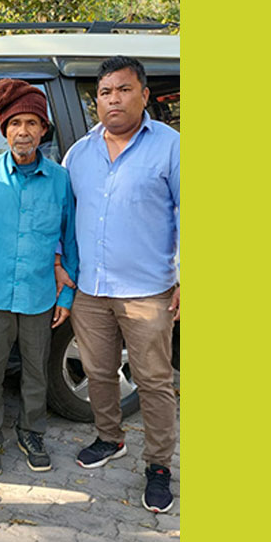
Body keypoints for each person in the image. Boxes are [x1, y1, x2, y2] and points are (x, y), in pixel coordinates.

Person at [61, 56, 180, 513]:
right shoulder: (80, 153)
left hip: (148, 292)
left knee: (153, 382)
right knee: (98, 372)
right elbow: (64, 215)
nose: (114, 99)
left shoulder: (170, 147)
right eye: (105, 92)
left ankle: (159, 465)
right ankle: (109, 438)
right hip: (91, 290)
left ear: (144, 95)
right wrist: (60, 264)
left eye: (124, 89)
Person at [0, 79, 78, 475]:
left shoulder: (60, 179)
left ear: (43, 129)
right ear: (4, 130)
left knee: (35, 372)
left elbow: (70, 238)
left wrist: (66, 296)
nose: (23, 132)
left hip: (40, 295)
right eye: (15, 123)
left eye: (32, 123)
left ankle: (31, 433)